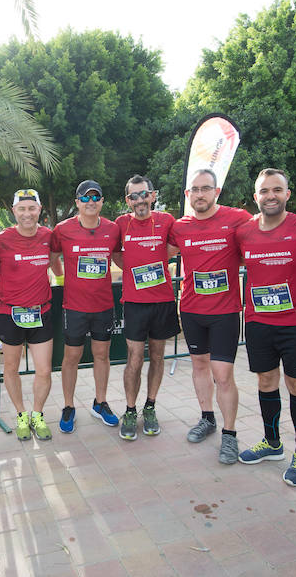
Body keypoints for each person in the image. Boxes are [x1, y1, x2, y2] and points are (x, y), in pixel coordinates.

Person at [235, 169, 296, 486]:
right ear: (256, 196)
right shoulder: (243, 231)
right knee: (266, 381)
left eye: (277, 189)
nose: (270, 195)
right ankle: (272, 443)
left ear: (287, 194)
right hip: (258, 321)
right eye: (264, 191)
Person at [168, 168, 252, 464]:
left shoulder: (237, 218)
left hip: (225, 312)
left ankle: (230, 435)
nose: (200, 194)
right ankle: (207, 418)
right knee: (199, 366)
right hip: (191, 309)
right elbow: (153, 251)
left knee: (223, 375)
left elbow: (268, 239)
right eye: (195, 190)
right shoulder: (180, 226)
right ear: (188, 194)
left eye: (206, 189)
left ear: (217, 192)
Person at [0, 189, 62, 441]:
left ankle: (37, 414)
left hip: (41, 311)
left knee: (43, 370)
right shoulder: (1, 240)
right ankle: (21, 415)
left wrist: (61, 279)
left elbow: (54, 260)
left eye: (32, 208)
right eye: (22, 209)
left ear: (39, 210)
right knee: (11, 368)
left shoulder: (48, 236)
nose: (27, 213)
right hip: (10, 313)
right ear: (14, 211)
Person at [51, 180, 121, 433]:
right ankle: (69, 406)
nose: (91, 202)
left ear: (102, 201)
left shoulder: (113, 229)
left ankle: (100, 402)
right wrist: (60, 278)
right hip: (75, 306)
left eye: (96, 197)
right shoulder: (62, 229)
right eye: (86, 198)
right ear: (77, 202)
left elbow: (120, 256)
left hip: (103, 305)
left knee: (102, 355)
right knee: (71, 357)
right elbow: (52, 257)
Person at [112, 175, 180, 440]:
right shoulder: (120, 223)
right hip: (134, 303)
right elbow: (116, 253)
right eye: (133, 196)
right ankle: (130, 410)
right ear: (127, 200)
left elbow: (173, 247)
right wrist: (132, 268)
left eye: (143, 194)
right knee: (135, 358)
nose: (139, 200)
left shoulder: (167, 221)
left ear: (152, 195)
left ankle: (150, 407)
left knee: (159, 356)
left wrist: (155, 261)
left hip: (162, 300)